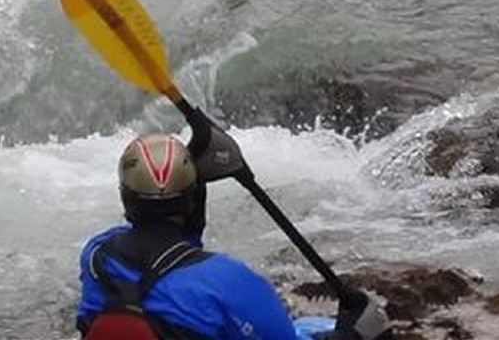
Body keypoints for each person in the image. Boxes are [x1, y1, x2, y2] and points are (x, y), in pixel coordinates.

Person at [75, 131, 390, 340]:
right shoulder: (228, 281)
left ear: (125, 197)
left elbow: (162, 252)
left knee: (309, 328)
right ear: (193, 198)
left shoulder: (97, 256)